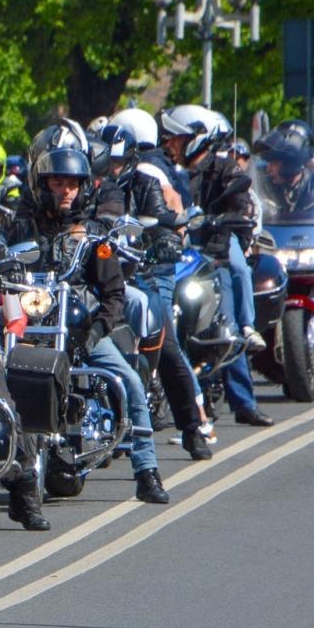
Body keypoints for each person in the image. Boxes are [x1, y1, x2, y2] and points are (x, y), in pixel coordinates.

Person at [7, 148, 171, 505]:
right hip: (27, 332)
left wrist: (97, 331)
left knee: (128, 382)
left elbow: (113, 294)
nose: (66, 191)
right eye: (58, 182)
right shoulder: (20, 228)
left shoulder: (95, 236)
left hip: (81, 331)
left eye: (73, 184)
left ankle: (147, 471)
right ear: (41, 184)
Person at [96, 123, 212, 460]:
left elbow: (164, 219)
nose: (110, 170)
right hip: (99, 273)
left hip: (143, 271)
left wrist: (164, 238)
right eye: (105, 163)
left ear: (129, 160)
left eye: (115, 164)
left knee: (167, 345)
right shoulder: (88, 189)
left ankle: (191, 429)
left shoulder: (144, 180)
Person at [163, 107, 273, 428]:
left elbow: (240, 198)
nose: (171, 145)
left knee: (226, 329)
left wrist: (226, 218)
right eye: (171, 139)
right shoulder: (166, 170)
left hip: (213, 254)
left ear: (195, 140)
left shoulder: (223, 169)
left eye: (178, 139)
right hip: (172, 258)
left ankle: (244, 402)